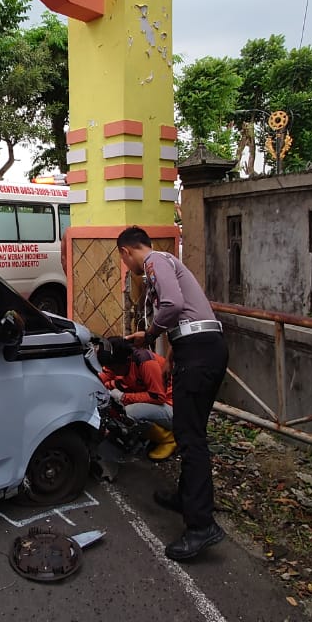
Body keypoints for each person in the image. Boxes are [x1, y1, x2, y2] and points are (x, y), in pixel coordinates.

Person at [118, 225, 228, 562]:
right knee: (187, 430)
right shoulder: (164, 263)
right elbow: (187, 318)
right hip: (197, 349)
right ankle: (188, 497)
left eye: (124, 261)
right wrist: (170, 361)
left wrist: (149, 335)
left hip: (200, 352)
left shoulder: (154, 261)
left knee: (190, 438)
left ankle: (201, 526)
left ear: (126, 252)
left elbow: (173, 305)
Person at [96, 335, 176, 459]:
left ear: (127, 360)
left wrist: (124, 397)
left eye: (114, 368)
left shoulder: (145, 362)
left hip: (172, 407)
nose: (112, 371)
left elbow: (157, 397)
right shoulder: (117, 362)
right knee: (109, 404)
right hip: (155, 406)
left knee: (128, 412)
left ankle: (168, 439)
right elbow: (102, 378)